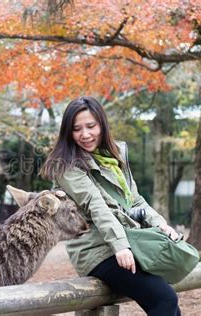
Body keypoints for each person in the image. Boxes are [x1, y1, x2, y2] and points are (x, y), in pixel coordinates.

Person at [40, 96, 181, 316]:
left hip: (128, 241)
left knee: (168, 299)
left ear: (102, 125)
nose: (85, 134)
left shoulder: (114, 156)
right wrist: (120, 245)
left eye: (91, 126)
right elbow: (95, 204)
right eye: (77, 129)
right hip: (96, 251)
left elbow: (134, 199)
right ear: (68, 132)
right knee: (164, 298)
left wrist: (160, 224)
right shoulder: (65, 165)